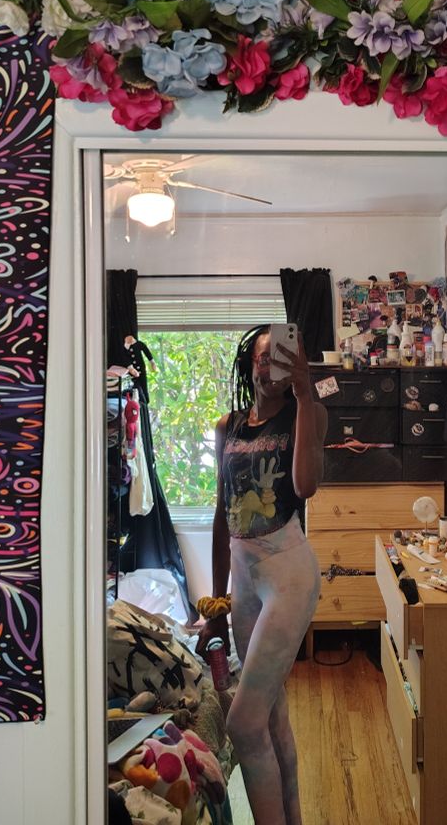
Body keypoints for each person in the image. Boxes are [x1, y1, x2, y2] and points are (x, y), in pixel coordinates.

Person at [196, 324, 327, 825]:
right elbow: (220, 512)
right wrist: (215, 603)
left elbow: (305, 485)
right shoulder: (227, 425)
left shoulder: (309, 413)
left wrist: (305, 391)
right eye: (263, 355)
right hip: (246, 581)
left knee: (244, 723)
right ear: (249, 365)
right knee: (271, 720)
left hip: (288, 571)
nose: (271, 363)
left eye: (283, 353)